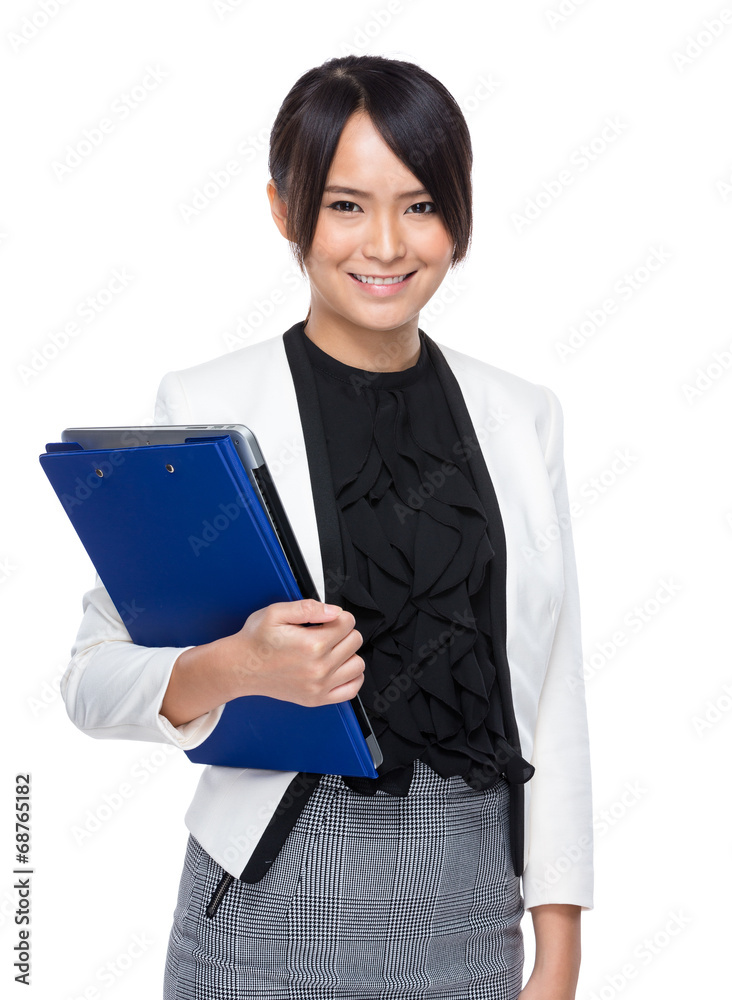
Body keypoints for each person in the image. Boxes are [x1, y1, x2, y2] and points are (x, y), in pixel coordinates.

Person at [62, 54, 593, 999]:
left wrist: (560, 948)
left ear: (458, 216)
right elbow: (92, 680)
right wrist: (241, 666)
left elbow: (554, 690)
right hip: (269, 905)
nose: (385, 243)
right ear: (284, 209)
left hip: (473, 914)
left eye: (421, 204)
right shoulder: (206, 406)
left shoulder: (525, 415)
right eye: (346, 204)